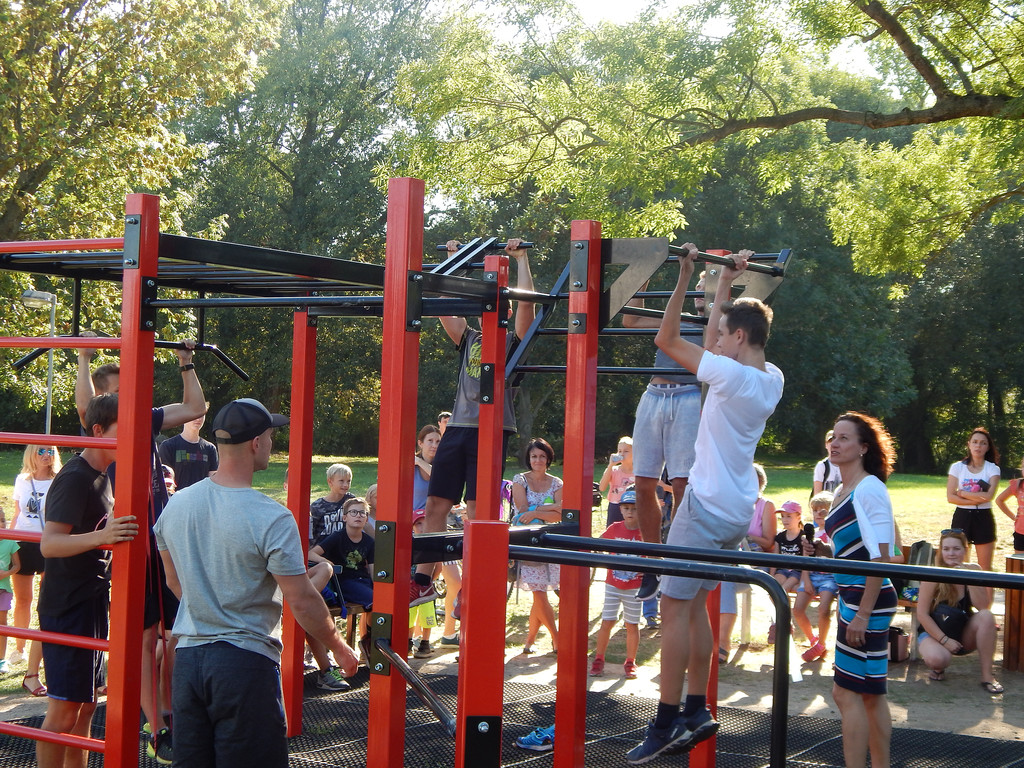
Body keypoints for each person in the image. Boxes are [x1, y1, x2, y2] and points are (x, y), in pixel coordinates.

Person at [627, 244, 784, 764]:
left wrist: (685, 274)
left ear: (738, 339)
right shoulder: (771, 378)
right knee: (695, 605)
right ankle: (696, 709)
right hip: (736, 512)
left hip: (704, 507)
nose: (712, 339)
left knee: (674, 608)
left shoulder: (729, 375)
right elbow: (719, 331)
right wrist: (725, 286)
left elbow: (666, 339)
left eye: (720, 336)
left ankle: (664, 722)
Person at [154, 398, 358, 768]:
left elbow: (173, 581)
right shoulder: (271, 517)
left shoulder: (177, 505)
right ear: (256, 443)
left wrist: (210, 607)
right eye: (270, 437)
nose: (272, 444)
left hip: (188, 662)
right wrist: (340, 649)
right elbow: (302, 599)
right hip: (244, 664)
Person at [77, 336, 207, 763]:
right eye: (116, 391)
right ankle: (156, 724)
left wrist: (185, 362)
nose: (126, 396)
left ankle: (173, 709)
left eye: (128, 388)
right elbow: (86, 409)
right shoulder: (104, 428)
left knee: (180, 630)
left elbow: (194, 407)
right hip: (133, 540)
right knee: (146, 635)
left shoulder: (145, 417)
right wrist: (84, 359)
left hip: (163, 537)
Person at [412, 238, 536, 606]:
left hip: (492, 430)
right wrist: (454, 259)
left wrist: (522, 260)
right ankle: (422, 579)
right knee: (435, 505)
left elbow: (528, 305)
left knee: (478, 512)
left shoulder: (515, 341)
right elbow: (444, 306)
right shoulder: (470, 338)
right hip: (459, 429)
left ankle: (473, 582)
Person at [37, 393, 140, 768]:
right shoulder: (76, 478)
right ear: (98, 430)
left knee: (86, 707)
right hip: (67, 606)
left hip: (91, 601)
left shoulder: (103, 476)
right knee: (64, 711)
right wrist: (103, 537)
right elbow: (49, 544)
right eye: (121, 430)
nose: (129, 439)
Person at [815, 412, 898, 768]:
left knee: (845, 692)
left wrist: (863, 613)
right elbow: (854, 550)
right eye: (833, 437)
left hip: (869, 601)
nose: (835, 443)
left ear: (864, 448)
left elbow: (883, 557)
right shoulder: (840, 491)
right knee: (870, 694)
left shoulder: (870, 488)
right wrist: (822, 551)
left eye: (844, 438)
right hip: (854, 597)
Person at [623, 271, 707, 600]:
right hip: (655, 395)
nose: (699, 292)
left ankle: (678, 557)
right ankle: (653, 562)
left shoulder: (720, 325)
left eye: (706, 287)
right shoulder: (679, 318)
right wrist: (645, 272)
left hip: (689, 396)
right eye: (698, 286)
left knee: (683, 483)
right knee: (643, 483)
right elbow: (631, 320)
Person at [916, 529, 1002, 693]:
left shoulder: (974, 569)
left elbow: (983, 606)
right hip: (935, 632)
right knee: (938, 659)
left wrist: (968, 576)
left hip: (963, 631)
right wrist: (944, 640)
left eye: (956, 549)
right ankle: (938, 668)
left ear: (965, 550)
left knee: (986, 616)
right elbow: (922, 614)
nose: (951, 553)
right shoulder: (932, 574)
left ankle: (987, 676)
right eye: (946, 549)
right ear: (940, 551)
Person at [10, 444, 61, 695]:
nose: (46, 455)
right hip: (22, 543)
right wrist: (7, 543)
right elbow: (17, 513)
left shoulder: (57, 481)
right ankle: (19, 650)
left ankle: (40, 651)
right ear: (32, 453)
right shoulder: (22, 480)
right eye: (41, 451)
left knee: (46, 601)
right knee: (23, 600)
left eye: (50, 451)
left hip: (46, 544)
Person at [511, 438, 563, 655]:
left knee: (539, 594)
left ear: (548, 459)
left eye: (542, 456)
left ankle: (529, 641)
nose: (538, 460)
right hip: (528, 543)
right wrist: (549, 509)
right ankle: (557, 639)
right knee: (539, 593)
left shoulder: (557, 483)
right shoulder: (520, 480)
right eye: (534, 456)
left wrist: (536, 511)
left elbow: (561, 514)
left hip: (551, 543)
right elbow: (522, 511)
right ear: (528, 458)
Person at [589, 488, 643, 679]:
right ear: (620, 509)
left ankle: (630, 661)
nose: (630, 512)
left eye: (634, 508)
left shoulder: (645, 532)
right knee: (607, 621)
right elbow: (598, 545)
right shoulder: (614, 529)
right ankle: (598, 658)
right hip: (613, 585)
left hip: (634, 587)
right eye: (626, 508)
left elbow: (656, 555)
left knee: (632, 624)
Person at [946, 427, 1000, 571]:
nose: (978, 446)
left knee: (985, 567)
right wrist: (975, 500)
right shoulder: (957, 467)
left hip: (983, 516)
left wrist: (962, 493)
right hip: (962, 516)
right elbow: (950, 497)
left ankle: (985, 587)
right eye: (975, 442)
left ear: (988, 447)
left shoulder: (992, 469)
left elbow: (989, 496)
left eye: (983, 443)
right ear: (969, 444)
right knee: (959, 565)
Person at [310, 497, 375, 613]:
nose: (358, 516)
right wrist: (324, 561)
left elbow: (373, 570)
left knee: (384, 598)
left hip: (363, 580)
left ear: (366, 519)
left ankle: (370, 625)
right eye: (353, 512)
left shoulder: (370, 541)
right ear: (345, 517)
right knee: (375, 600)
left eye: (362, 513)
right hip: (343, 582)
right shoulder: (337, 537)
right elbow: (311, 554)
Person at [795, 492, 838, 662]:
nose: (818, 514)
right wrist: (805, 579)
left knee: (823, 609)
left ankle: (821, 643)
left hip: (830, 577)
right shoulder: (812, 535)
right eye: (815, 510)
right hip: (812, 575)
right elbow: (805, 559)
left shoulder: (835, 534)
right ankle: (814, 640)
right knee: (797, 609)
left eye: (823, 510)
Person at [158, 408, 219, 489]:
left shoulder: (210, 448)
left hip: (202, 496)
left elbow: (213, 481)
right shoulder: (168, 446)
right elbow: (165, 480)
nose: (198, 419)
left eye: (201, 415)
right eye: (194, 414)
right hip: (176, 496)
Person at [310, 463, 355, 544]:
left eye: (348, 481)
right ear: (330, 482)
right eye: (341, 481)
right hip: (322, 547)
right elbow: (311, 532)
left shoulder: (351, 500)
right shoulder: (317, 506)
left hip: (344, 546)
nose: (345, 485)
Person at [770, 500, 806, 593]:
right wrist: (771, 576)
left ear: (799, 517)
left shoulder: (803, 537)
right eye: (782, 516)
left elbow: (806, 560)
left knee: (783, 590)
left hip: (797, 571)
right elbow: (775, 558)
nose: (785, 520)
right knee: (774, 589)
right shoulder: (780, 537)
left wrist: (803, 580)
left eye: (789, 516)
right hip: (782, 570)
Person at [0, 512, 20, 676]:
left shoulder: (10, 542)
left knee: (2, 625)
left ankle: (1, 659)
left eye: (2, 520)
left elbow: (17, 566)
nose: (1, 524)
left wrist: (6, 573)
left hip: (4, 590)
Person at [598, 437, 635, 526]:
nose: (622, 454)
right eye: (619, 451)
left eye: (626, 451)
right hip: (615, 506)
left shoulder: (638, 472)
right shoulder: (613, 470)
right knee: (614, 530)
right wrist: (610, 465)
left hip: (633, 507)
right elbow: (602, 487)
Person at [995, 456, 1024, 554]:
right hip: (1021, 532)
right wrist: (1013, 517)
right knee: (1019, 563)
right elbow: (999, 500)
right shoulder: (1018, 484)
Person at [811, 430, 842, 497]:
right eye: (831, 443)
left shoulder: (847, 466)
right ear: (826, 445)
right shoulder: (822, 466)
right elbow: (817, 495)